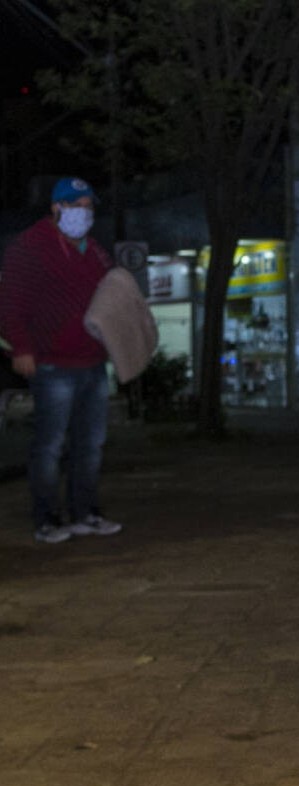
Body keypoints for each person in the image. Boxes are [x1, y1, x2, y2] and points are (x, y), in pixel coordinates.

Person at [0, 176, 123, 544]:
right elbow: (10, 303)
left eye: (88, 205)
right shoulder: (29, 247)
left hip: (92, 363)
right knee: (50, 445)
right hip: (51, 364)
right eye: (75, 204)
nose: (83, 212)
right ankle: (48, 519)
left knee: (90, 445)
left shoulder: (96, 252)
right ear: (56, 208)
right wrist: (21, 348)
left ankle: (86, 513)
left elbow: (111, 299)